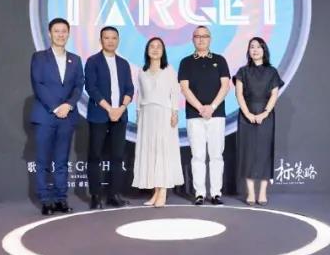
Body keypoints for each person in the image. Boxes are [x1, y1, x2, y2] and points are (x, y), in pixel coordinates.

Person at [29, 18, 84, 215]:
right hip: (46, 116)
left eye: (64, 31)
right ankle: (46, 201)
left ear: (68, 34)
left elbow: (79, 85)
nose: (61, 34)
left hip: (67, 117)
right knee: (43, 161)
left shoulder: (75, 59)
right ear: (50, 33)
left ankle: (61, 199)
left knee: (62, 161)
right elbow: (38, 84)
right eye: (57, 31)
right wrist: (55, 107)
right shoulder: (39, 57)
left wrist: (68, 105)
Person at [178, 26, 232, 205]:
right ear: (192, 39)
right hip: (195, 115)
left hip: (217, 115)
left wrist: (212, 107)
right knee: (198, 155)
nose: (201, 39)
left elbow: (225, 86)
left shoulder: (220, 60)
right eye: (197, 36)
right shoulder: (186, 62)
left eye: (205, 36)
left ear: (210, 39)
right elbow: (185, 88)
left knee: (216, 155)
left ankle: (216, 193)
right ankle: (199, 193)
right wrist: (201, 108)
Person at [84, 26, 134, 210]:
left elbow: (129, 89)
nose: (110, 41)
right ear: (101, 40)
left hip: (120, 116)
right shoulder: (92, 61)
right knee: (95, 155)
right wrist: (109, 109)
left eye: (114, 38)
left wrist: (121, 108)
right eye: (107, 38)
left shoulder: (123, 63)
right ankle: (96, 196)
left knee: (117, 156)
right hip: (99, 114)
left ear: (118, 40)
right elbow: (91, 87)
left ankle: (114, 195)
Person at [132, 37, 184, 207]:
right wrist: (138, 114)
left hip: (164, 114)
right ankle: (155, 191)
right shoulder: (142, 71)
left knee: (163, 151)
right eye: (152, 46)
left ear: (163, 51)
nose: (155, 49)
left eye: (158, 46)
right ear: (147, 50)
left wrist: (175, 112)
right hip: (147, 115)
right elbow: (139, 95)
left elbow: (175, 92)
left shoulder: (168, 70)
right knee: (151, 152)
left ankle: (163, 191)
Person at [233, 37, 284, 206]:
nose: (255, 50)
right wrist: (247, 113)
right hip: (246, 115)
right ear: (248, 51)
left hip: (266, 115)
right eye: (252, 47)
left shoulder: (272, 72)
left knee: (264, 153)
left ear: (264, 50)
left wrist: (265, 113)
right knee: (248, 153)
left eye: (258, 47)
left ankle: (262, 192)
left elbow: (274, 95)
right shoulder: (243, 71)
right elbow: (239, 94)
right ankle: (250, 193)